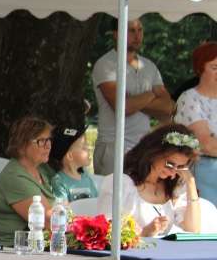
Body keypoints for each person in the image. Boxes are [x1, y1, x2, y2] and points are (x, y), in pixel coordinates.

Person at [92, 18, 173, 175]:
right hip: (113, 148)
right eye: (131, 30)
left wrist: (135, 100)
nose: (137, 35)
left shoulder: (149, 66)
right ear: (116, 34)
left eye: (140, 30)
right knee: (112, 191)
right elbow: (124, 108)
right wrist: (151, 94)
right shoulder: (105, 64)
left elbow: (168, 108)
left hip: (143, 148)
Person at [97, 124, 203, 237]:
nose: (173, 172)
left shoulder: (174, 188)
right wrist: (144, 233)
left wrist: (191, 183)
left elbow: (193, 229)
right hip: (132, 249)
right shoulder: (120, 183)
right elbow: (106, 232)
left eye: (180, 167)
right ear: (153, 153)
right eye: (170, 164)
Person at [0, 117, 57, 247]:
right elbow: (48, 221)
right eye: (41, 141)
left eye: (49, 140)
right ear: (22, 145)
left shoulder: (42, 170)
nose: (48, 146)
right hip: (13, 249)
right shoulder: (15, 177)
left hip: (36, 244)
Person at [175, 42, 217, 204]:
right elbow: (206, 144)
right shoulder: (190, 98)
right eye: (214, 67)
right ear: (200, 69)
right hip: (204, 173)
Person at [48, 125, 98, 202]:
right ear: (70, 156)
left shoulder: (86, 178)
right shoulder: (59, 181)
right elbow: (62, 207)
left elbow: (96, 202)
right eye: (84, 148)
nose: (88, 149)